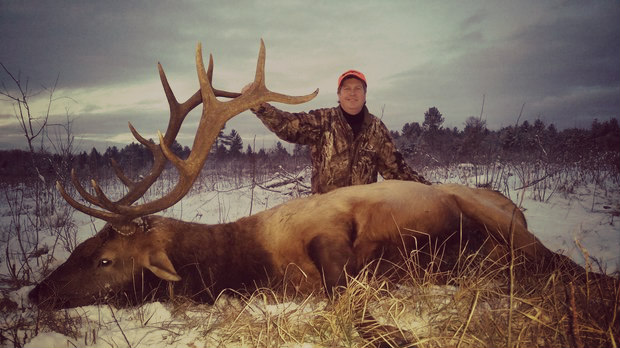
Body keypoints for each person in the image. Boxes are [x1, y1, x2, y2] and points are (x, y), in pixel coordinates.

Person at [244, 69, 430, 194]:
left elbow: (397, 171)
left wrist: (434, 192)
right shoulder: (323, 120)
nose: (352, 93)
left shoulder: (377, 129)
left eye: (358, 88)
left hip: (363, 213)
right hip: (325, 212)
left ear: (365, 95)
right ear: (339, 95)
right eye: (346, 88)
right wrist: (260, 106)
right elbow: (288, 125)